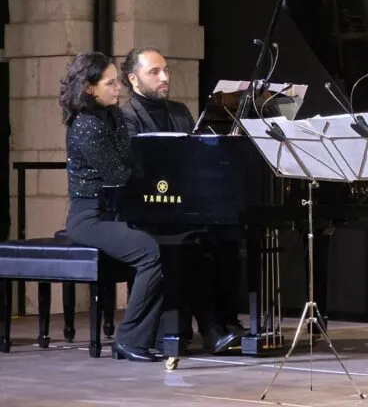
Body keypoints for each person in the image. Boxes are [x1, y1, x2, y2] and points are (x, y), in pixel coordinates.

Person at [119, 47, 242, 355]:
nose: (164, 77)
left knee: (222, 237)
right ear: (133, 79)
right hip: (146, 207)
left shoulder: (179, 112)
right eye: (155, 72)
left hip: (180, 204)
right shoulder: (125, 116)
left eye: (166, 70)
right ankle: (206, 329)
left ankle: (222, 323)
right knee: (193, 245)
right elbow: (137, 169)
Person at [59, 51, 164, 362]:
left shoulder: (113, 115)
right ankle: (130, 339)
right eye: (110, 82)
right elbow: (118, 173)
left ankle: (155, 336)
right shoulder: (86, 126)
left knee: (167, 246)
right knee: (151, 251)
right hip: (89, 217)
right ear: (90, 88)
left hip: (115, 212)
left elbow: (129, 162)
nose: (118, 88)